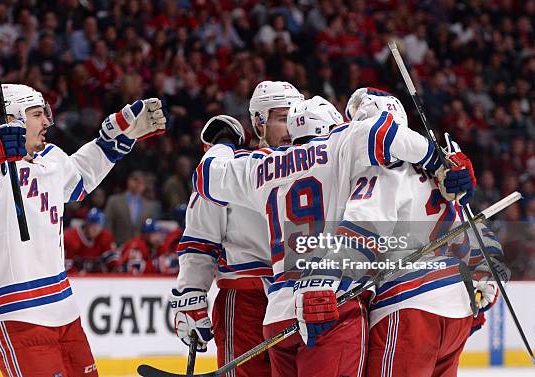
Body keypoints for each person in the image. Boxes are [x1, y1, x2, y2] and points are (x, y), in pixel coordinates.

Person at [190, 92, 475, 376]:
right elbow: (386, 135)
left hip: (280, 311)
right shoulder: (345, 147)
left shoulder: (262, 164)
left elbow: (206, 176)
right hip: (335, 303)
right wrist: (440, 160)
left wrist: (223, 143)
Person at [0, 83, 165, 376]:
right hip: (12, 315)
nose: (46, 121)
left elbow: (78, 179)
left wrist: (113, 140)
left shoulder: (51, 158)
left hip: (64, 312)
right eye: (37, 114)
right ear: (12, 121)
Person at [169, 81, 303, 376]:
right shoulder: (230, 169)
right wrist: (191, 292)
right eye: (282, 118)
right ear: (259, 122)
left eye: (295, 117)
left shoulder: (314, 167)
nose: (291, 127)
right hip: (245, 300)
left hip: (300, 297)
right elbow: (201, 240)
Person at [105, 170, 161, 245]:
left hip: (140, 249)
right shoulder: (114, 201)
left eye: (142, 182)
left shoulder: (150, 206)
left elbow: (151, 231)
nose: (139, 184)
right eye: (136, 180)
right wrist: (110, 244)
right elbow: (107, 224)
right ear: (129, 181)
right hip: (118, 247)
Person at [64, 208, 118, 273]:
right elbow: (66, 267)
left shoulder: (105, 237)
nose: (96, 229)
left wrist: (116, 268)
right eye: (93, 225)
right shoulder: (70, 237)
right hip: (77, 280)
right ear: (86, 224)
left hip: (99, 280)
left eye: (99, 226)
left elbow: (113, 263)